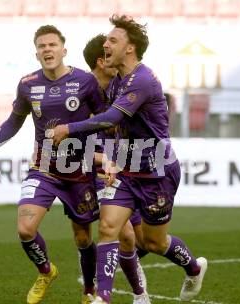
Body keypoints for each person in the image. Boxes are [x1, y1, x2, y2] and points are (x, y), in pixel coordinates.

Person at [50, 15, 208, 304]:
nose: (105, 45)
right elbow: (114, 128)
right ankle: (104, 298)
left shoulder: (143, 80)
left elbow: (111, 118)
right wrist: (108, 159)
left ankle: (194, 268)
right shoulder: (117, 82)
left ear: (130, 48)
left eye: (112, 40)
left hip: (157, 171)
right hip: (127, 169)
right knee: (110, 228)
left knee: (153, 242)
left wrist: (69, 128)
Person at [0, 25, 104, 304]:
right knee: (25, 230)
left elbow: (103, 120)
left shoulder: (85, 81)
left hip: (80, 172)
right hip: (43, 167)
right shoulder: (28, 84)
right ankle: (46, 271)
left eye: (52, 45)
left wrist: (102, 156)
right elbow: (13, 122)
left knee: (83, 238)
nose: (47, 49)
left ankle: (89, 290)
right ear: (37, 53)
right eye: (42, 46)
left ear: (63, 50)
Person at [82, 34, 149, 303]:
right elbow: (73, 148)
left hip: (127, 174)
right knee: (122, 234)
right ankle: (111, 293)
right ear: (102, 61)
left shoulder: (124, 90)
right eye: (109, 52)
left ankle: (139, 293)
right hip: (98, 176)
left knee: (142, 240)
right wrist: (102, 161)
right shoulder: (82, 97)